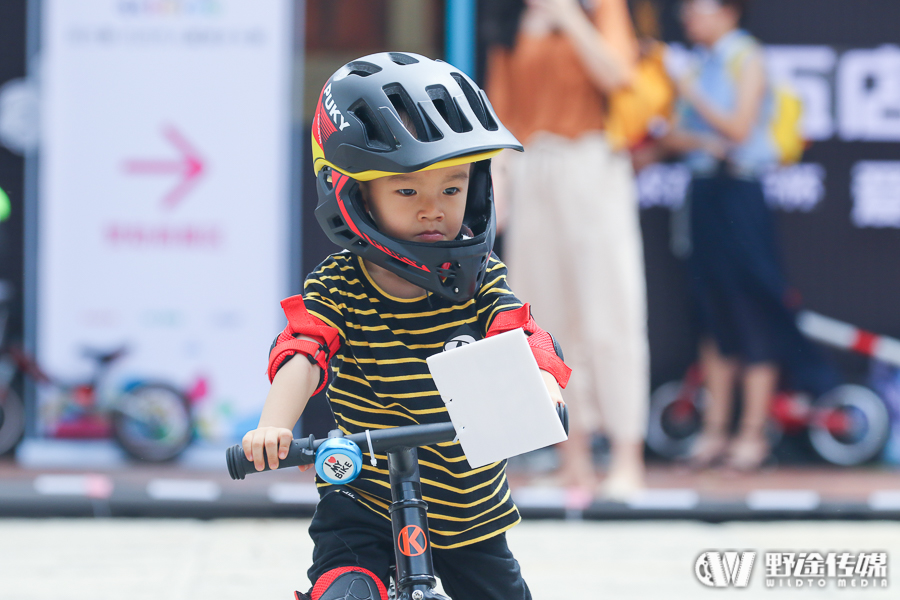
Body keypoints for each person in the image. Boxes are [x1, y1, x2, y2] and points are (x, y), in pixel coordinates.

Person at [241, 53, 571, 600]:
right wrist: (274, 426)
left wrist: (543, 387)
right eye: (406, 191)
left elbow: (524, 336)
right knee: (347, 590)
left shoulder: (481, 279)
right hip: (364, 500)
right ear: (353, 195)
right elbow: (303, 350)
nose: (433, 210)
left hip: (470, 515)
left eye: (451, 188)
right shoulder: (339, 285)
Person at [484, 0, 649, 500]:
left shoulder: (603, 9)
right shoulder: (510, 21)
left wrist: (569, 14)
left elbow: (619, 74)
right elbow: (500, 118)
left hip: (592, 164)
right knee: (543, 321)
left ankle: (626, 460)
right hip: (533, 169)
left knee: (610, 315)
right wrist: (500, 185)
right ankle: (571, 460)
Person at [663, 0, 834, 470]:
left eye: (697, 7)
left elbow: (737, 129)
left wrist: (689, 91)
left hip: (739, 191)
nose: (687, 17)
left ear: (729, 12)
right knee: (711, 311)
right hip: (703, 193)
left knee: (752, 308)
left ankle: (752, 433)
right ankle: (714, 431)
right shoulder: (698, 64)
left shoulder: (746, 58)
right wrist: (699, 137)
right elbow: (672, 136)